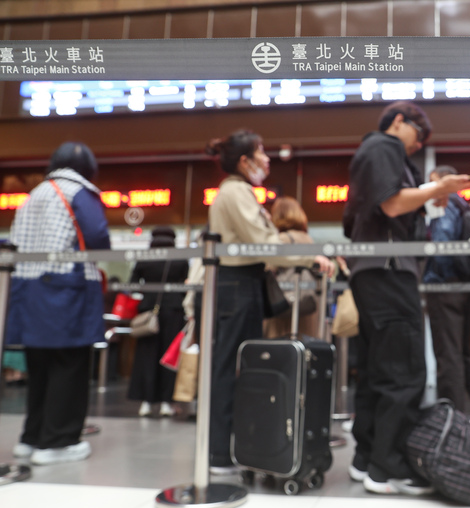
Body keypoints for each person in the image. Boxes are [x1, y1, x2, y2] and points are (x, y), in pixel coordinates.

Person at [342, 101, 470, 495]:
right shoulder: (384, 147)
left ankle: (367, 457)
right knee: (404, 368)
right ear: (399, 122)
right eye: (419, 136)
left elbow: (364, 217)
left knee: (376, 368)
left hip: (372, 271)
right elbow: (392, 202)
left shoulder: (369, 155)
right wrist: (441, 188)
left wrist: (423, 197)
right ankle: (390, 467)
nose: (417, 146)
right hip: (388, 270)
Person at [205, 129, 334, 474]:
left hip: (243, 283)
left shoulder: (238, 192)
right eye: (261, 152)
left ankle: (229, 447)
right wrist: (309, 258)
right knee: (228, 369)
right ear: (245, 161)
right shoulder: (235, 193)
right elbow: (264, 242)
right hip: (237, 283)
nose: (267, 158)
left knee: (235, 365)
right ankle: (219, 453)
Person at [6, 142, 110, 465]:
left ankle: (32, 436)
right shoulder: (79, 191)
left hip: (27, 288)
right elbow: (98, 237)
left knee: (40, 366)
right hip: (66, 289)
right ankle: (58, 441)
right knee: (69, 363)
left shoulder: (35, 194)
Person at [422, 165, 470, 428]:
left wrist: (433, 280)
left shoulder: (446, 208)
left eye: (433, 184)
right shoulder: (464, 207)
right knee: (463, 352)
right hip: (465, 289)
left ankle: (452, 419)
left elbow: (442, 250)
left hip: (445, 289)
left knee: (448, 355)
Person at [127, 227, 189, 418]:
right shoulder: (179, 258)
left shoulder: (145, 257)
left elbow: (132, 284)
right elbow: (185, 285)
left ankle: (145, 403)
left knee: (147, 356)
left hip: (148, 312)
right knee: (168, 357)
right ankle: (166, 402)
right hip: (174, 311)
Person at [265, 196, 319, 339]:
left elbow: (269, 267)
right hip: (307, 305)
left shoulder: (282, 239)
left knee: (280, 350)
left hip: (284, 307)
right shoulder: (308, 239)